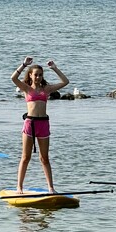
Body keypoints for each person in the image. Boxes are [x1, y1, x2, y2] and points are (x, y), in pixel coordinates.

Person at [10, 57, 69, 193]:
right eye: (35, 74)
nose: (38, 77)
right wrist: (24, 64)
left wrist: (54, 68)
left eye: (40, 75)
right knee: (25, 157)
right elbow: (13, 78)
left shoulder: (46, 89)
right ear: (30, 75)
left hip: (43, 124)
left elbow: (65, 82)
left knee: (44, 158)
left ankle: (51, 188)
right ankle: (19, 187)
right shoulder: (26, 88)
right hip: (30, 124)